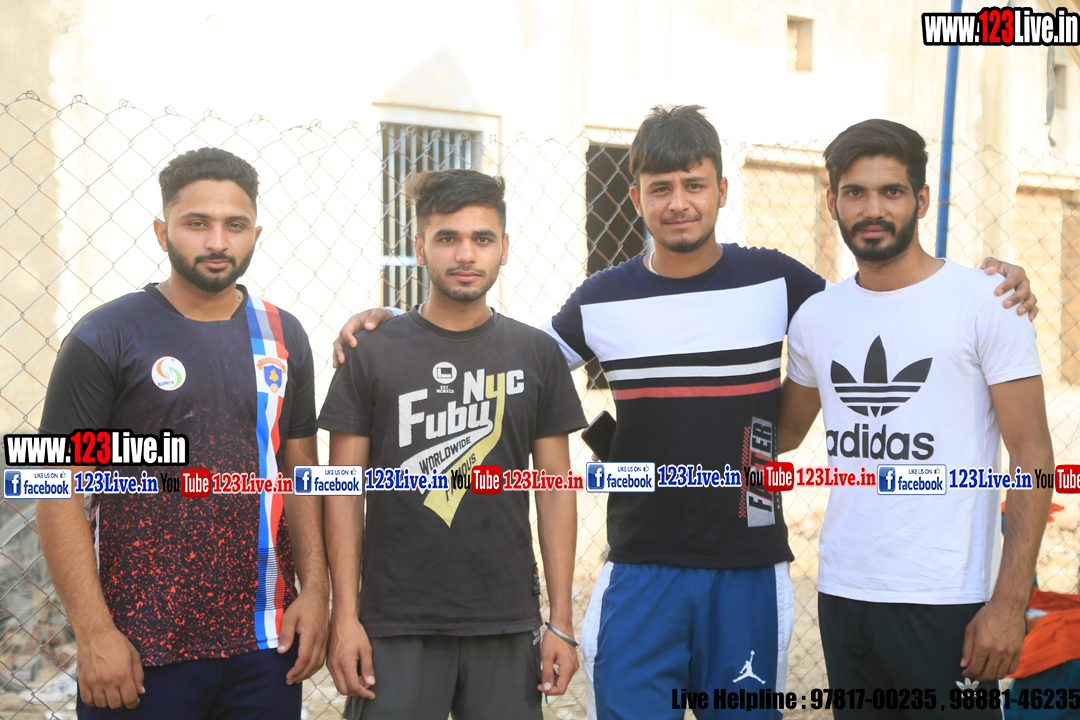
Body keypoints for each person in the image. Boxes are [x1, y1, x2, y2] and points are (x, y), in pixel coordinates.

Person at [331, 106, 1039, 720]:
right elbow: (503, 353)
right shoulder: (601, 299)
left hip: (751, 566)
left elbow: (880, 301)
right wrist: (396, 324)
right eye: (660, 187)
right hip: (641, 564)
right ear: (634, 196)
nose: (679, 203)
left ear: (722, 191)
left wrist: (997, 283)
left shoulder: (781, 282)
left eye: (694, 185)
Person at [36, 148, 327, 718]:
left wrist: (316, 591)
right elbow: (54, 485)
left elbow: (299, 474)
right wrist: (93, 631)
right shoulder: (106, 336)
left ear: (255, 234)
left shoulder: (282, 334)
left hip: (266, 645)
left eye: (235, 225)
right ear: (161, 231)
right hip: (139, 647)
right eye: (197, 224)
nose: (217, 242)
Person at [778, 119, 1055, 718]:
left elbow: (1033, 454)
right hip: (845, 593)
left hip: (948, 597)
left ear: (922, 200)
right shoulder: (816, 317)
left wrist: (1009, 601)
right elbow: (783, 433)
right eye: (855, 192)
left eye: (892, 191)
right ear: (832, 202)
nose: (872, 209)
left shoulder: (987, 302)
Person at [319, 169, 586, 720]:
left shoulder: (536, 355)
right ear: (420, 248)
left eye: (482, 238)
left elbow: (555, 491)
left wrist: (560, 619)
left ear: (504, 247)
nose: (465, 254)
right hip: (394, 621)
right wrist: (343, 617)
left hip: (505, 618)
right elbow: (342, 492)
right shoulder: (372, 352)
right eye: (447, 238)